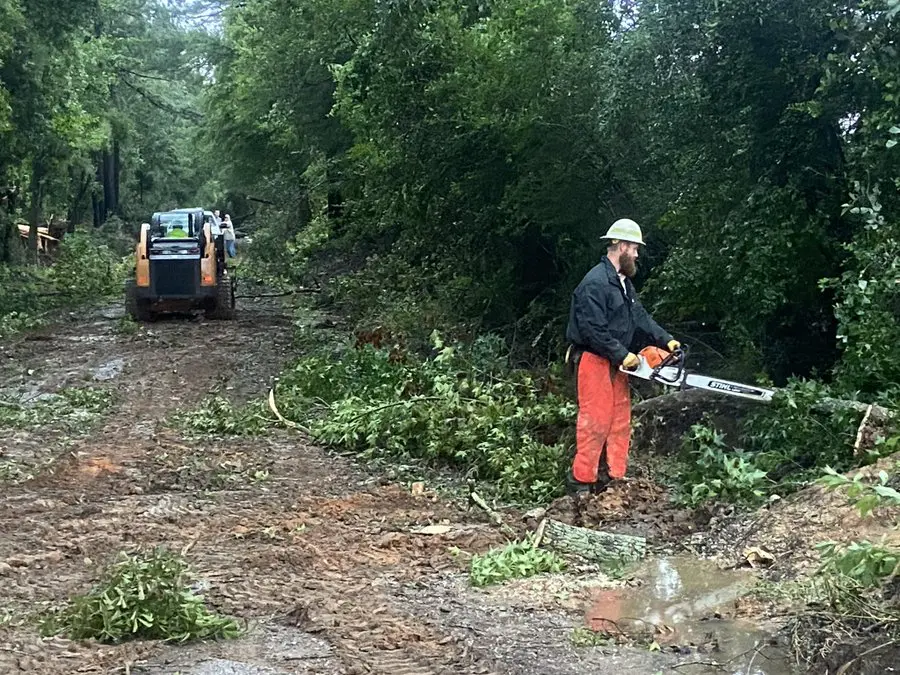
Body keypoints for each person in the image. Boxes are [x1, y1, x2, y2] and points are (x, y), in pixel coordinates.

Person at [565, 218, 680, 495]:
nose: (638, 254)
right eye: (635, 249)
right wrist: (622, 354)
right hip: (593, 359)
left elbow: (639, 317)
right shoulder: (595, 283)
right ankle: (582, 481)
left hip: (618, 362)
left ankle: (615, 478)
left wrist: (666, 340)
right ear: (621, 246)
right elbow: (593, 330)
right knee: (595, 421)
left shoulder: (623, 284)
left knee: (619, 420)